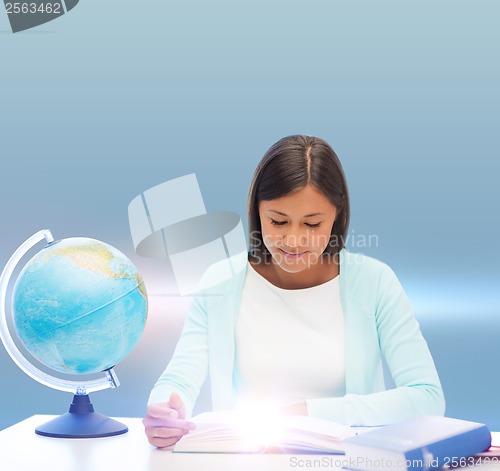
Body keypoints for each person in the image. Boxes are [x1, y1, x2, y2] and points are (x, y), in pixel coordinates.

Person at [142, 135, 445, 448]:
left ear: (338, 214)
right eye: (278, 221)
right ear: (257, 211)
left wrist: (306, 412)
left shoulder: (374, 282)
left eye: (312, 224)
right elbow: (180, 377)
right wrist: (165, 410)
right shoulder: (221, 281)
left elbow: (427, 397)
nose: (294, 240)